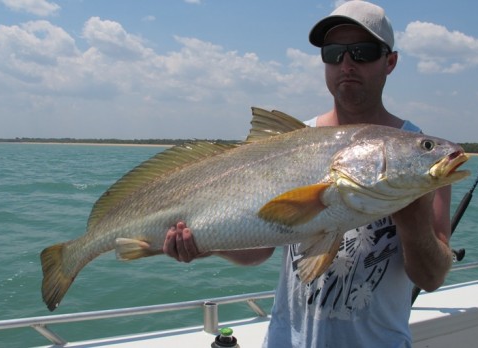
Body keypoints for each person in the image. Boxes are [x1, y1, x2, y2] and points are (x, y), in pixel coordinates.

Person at [163, 1, 453, 347]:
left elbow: (431, 278)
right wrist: (206, 245)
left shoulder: (419, 157)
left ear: (389, 61)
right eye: (333, 53)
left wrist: (414, 222)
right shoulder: (289, 143)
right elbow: (260, 247)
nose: (346, 64)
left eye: (362, 52)